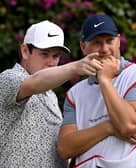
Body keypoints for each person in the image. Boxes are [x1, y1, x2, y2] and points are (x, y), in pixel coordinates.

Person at [57, 14, 136, 168]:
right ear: (83, 47)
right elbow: (64, 148)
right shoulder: (75, 94)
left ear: (118, 41)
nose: (104, 49)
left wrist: (104, 80)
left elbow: (128, 125)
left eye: (109, 41)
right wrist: (108, 127)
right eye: (96, 43)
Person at [0, 20, 103, 168]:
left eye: (55, 56)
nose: (51, 62)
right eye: (44, 54)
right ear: (24, 51)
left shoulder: (51, 95)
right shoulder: (9, 78)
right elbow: (34, 83)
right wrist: (76, 66)